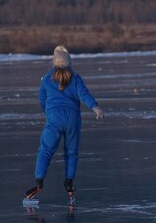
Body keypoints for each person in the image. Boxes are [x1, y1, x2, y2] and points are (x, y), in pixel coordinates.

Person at [34, 45, 104, 196]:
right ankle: (69, 182)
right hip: (73, 119)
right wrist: (95, 107)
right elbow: (84, 94)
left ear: (53, 62)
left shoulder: (46, 79)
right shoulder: (75, 78)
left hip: (54, 118)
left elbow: (42, 99)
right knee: (71, 152)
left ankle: (39, 179)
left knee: (45, 150)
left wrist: (48, 112)